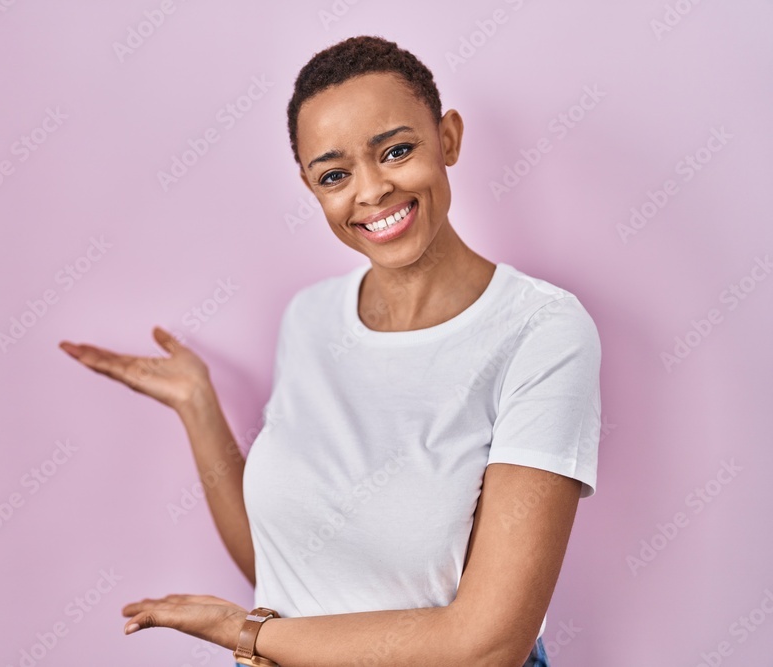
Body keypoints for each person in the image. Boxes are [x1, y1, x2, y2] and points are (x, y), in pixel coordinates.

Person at [59, 35, 600, 667]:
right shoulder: (311, 318)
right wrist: (196, 405)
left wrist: (246, 635)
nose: (370, 191)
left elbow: (490, 644)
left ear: (448, 138)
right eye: (335, 175)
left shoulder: (541, 330)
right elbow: (293, 570)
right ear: (311, 187)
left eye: (396, 151)